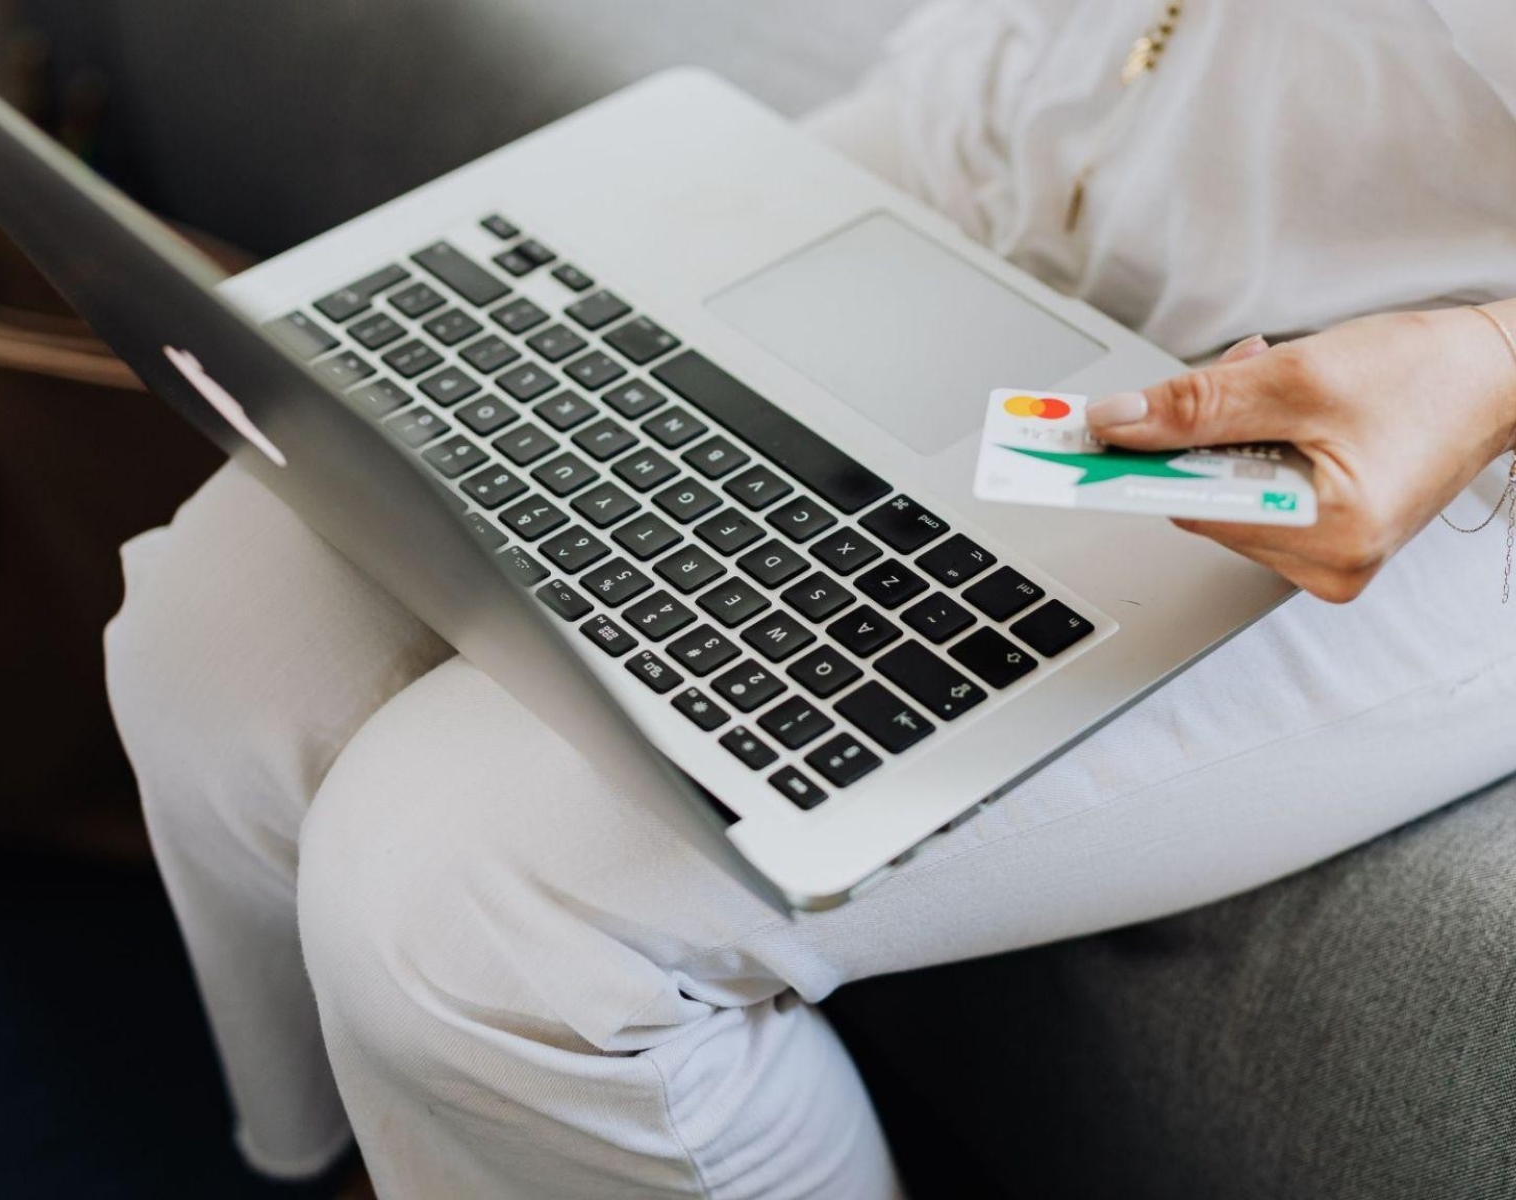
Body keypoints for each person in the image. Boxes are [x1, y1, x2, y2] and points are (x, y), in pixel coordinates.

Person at [105, 1, 1516, 1196]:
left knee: (467, 910)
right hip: (1016, 116)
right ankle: (358, 1156)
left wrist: (1485, 364)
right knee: (216, 639)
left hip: (1386, 383)